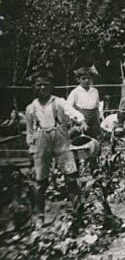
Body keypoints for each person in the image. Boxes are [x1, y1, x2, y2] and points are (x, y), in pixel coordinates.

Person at [25, 69, 86, 218]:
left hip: (60, 141)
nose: (42, 88)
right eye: (38, 85)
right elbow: (29, 132)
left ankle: (78, 212)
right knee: (40, 181)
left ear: (51, 86)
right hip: (41, 142)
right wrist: (31, 149)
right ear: (34, 87)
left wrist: (81, 120)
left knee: (71, 177)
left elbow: (72, 112)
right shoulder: (31, 108)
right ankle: (39, 215)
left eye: (45, 84)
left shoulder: (59, 102)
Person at [67, 67, 101, 139]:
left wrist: (98, 120)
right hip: (81, 118)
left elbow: (97, 106)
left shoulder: (95, 91)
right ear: (78, 80)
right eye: (83, 78)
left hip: (94, 119)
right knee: (80, 140)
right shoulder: (75, 92)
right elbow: (68, 107)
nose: (86, 80)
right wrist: (80, 119)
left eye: (88, 78)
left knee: (94, 141)